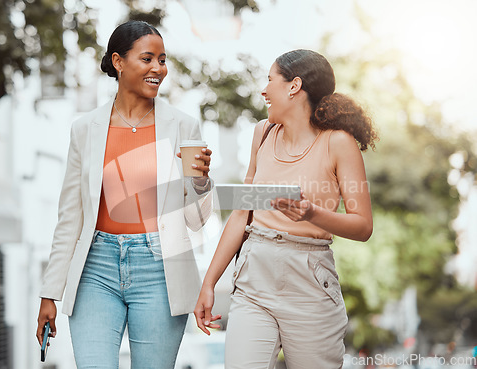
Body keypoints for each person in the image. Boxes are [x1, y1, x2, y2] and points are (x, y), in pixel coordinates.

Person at [36, 20, 214, 369]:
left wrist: (200, 180)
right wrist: (49, 294)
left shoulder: (183, 125)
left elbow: (197, 221)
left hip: (160, 269)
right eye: (147, 59)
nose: (158, 69)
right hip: (95, 268)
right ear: (118, 62)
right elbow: (70, 217)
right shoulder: (85, 129)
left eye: (162, 60)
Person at [194, 49, 378, 369]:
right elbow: (241, 213)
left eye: (269, 80)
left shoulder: (338, 143)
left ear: (294, 86)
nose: (263, 90)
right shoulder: (262, 134)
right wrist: (209, 283)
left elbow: (363, 226)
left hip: (309, 282)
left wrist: (311, 214)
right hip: (254, 276)